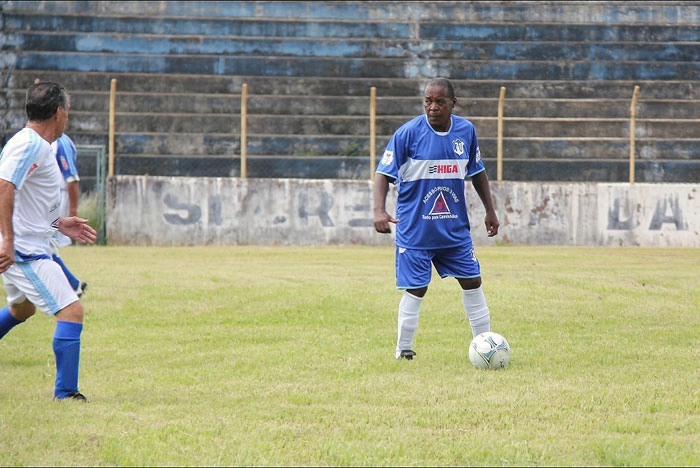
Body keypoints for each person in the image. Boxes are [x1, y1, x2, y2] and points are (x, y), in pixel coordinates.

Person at [373, 77, 500, 360]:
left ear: (453, 103)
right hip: (416, 230)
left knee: (472, 281)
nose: (432, 107)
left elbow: (476, 171)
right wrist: (378, 211)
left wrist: (490, 210)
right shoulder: (407, 134)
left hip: (453, 230)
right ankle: (403, 349)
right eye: (428, 101)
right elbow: (383, 173)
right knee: (417, 288)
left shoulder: (466, 131)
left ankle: (485, 346)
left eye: (440, 102)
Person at [0, 81, 97, 400]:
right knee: (72, 311)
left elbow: (27, 198)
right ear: (59, 112)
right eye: (67, 110)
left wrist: (60, 223)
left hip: (29, 244)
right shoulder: (30, 145)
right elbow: (4, 186)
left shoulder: (36, 145)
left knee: (21, 310)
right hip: (26, 252)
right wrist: (9, 241)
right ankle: (66, 393)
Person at [51, 132, 88, 297]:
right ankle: (73, 283)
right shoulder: (36, 139)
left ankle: (73, 285)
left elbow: (72, 179)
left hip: (56, 198)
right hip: (48, 197)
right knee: (45, 245)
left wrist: (73, 211)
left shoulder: (61, 142)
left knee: (44, 244)